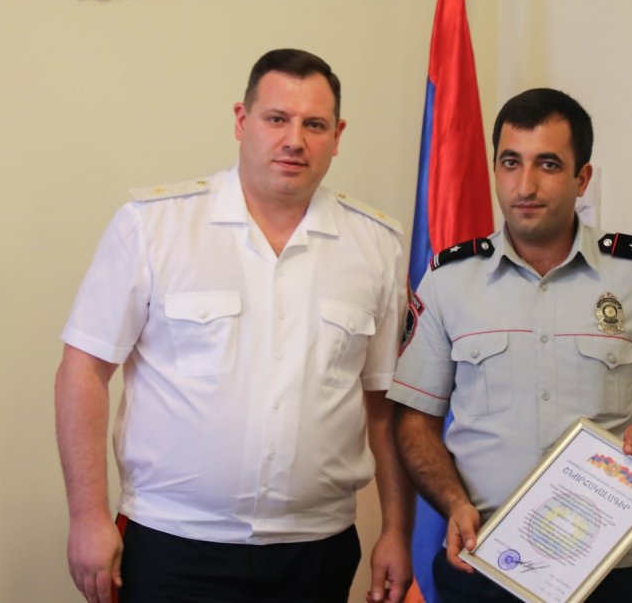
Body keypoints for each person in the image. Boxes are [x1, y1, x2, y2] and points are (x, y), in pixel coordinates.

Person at [55, 49, 413, 603]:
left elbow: (383, 402)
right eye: (277, 119)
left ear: (337, 136)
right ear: (242, 121)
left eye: (314, 125)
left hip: (315, 549)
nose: (294, 140)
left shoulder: (376, 245)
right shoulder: (155, 227)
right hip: (172, 541)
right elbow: (83, 369)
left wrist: (396, 529)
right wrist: (87, 516)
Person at [389, 88, 632, 603]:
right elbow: (415, 419)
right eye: (510, 162)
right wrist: (453, 502)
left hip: (610, 571)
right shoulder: (448, 280)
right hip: (484, 560)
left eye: (547, 164)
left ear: (581, 178)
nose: (525, 185)